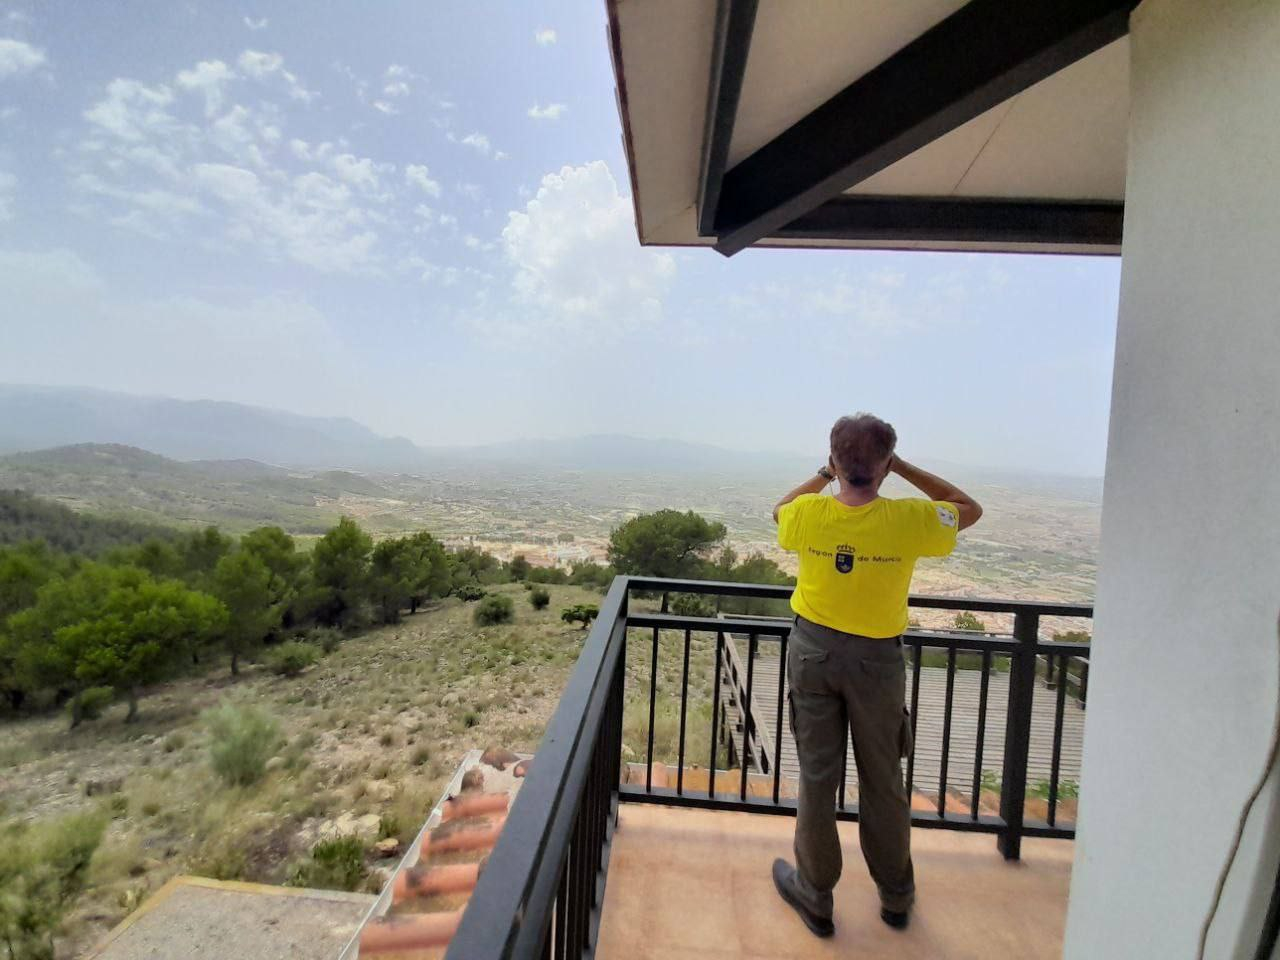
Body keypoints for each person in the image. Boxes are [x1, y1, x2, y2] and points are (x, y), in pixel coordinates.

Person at [770, 413, 982, 937]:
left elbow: (779, 511)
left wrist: (826, 474)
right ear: (884, 464)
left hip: (813, 652)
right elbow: (968, 509)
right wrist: (899, 467)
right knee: (883, 780)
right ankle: (895, 894)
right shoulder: (908, 520)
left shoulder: (811, 515)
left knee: (818, 779)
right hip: (877, 661)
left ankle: (815, 894)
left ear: (835, 458)